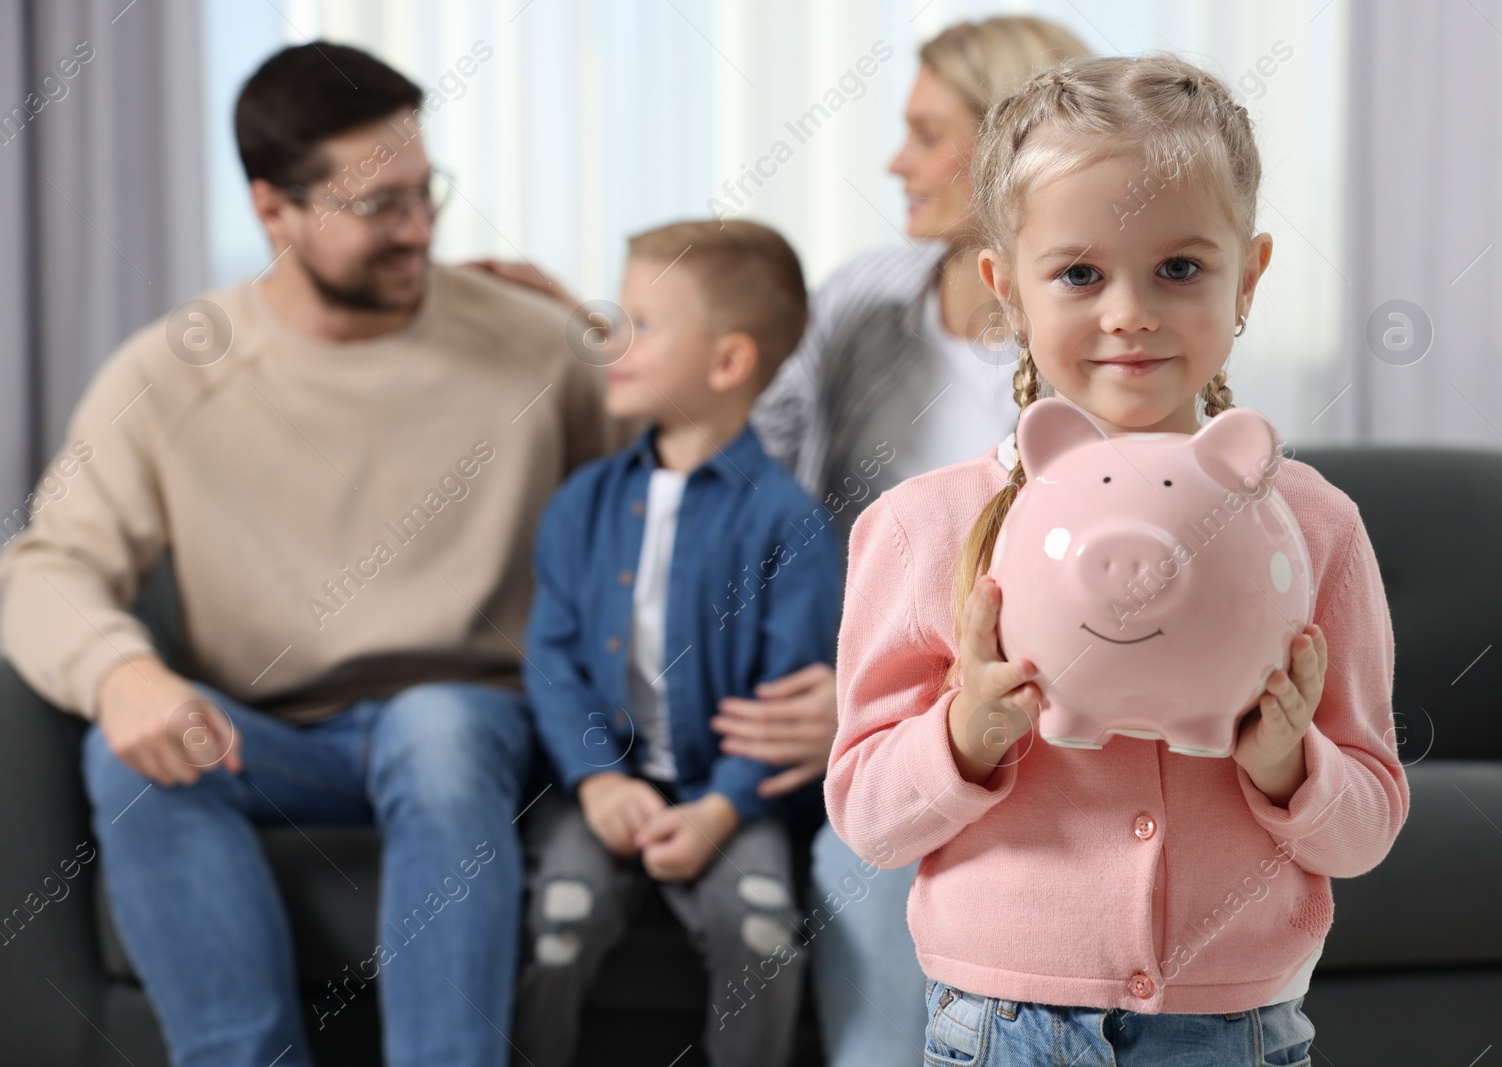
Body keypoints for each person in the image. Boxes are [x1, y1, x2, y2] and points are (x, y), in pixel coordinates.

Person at [471, 20, 1092, 1062]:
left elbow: (1073, 594)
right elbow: (724, 443)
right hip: (833, 704)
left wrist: (884, 698)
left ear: (1007, 146)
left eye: (925, 133)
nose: (896, 160)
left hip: (975, 705)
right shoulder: (864, 303)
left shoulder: (1085, 336)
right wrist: (597, 332)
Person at [0, 43, 619, 1067]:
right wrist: (124, 672)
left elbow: (672, 490)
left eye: (427, 194)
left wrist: (599, 331)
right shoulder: (171, 368)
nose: (419, 230)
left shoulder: (532, 341)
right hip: (274, 737)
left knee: (436, 724)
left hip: (473, 721)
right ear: (272, 210)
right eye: (378, 206)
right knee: (131, 752)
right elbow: (45, 564)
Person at [825, 53, 1410, 1066]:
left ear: (1249, 276)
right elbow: (868, 820)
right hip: (1000, 1028)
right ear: (1005, 285)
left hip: (1238, 1030)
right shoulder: (922, 524)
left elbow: (1366, 823)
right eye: (1080, 273)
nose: (1129, 310)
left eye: (1178, 268)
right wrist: (964, 732)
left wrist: (1287, 765)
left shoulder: (1313, 525)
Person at [515, 219, 841, 1067]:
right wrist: (595, 784)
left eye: (645, 325)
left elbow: (786, 699)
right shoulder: (581, 504)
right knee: (562, 920)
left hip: (730, 798)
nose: (613, 339)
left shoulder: (791, 524)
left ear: (728, 362)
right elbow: (551, 661)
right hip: (608, 785)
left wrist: (720, 810)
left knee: (765, 926)